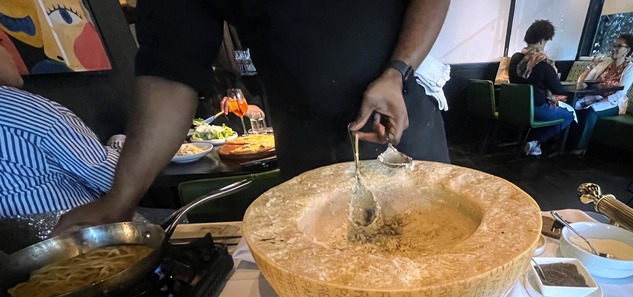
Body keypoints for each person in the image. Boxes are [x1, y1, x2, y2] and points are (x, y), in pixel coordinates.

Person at [55, 0, 451, 233]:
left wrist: (397, 70)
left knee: (427, 246)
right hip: (299, 133)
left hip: (397, 111)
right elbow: (170, 73)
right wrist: (121, 200)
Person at [0, 44, 118, 217]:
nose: (12, 55)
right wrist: (119, 146)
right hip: (70, 234)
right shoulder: (23, 108)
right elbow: (108, 176)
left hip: (11, 241)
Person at [566, 33, 633, 154]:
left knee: (591, 110)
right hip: (595, 96)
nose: (614, 48)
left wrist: (600, 100)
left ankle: (580, 147)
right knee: (573, 106)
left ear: (627, 50)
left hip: (614, 102)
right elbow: (582, 83)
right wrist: (590, 68)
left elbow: (621, 92)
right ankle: (564, 143)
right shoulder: (605, 63)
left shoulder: (630, 67)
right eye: (614, 45)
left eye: (619, 46)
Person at [511, 20, 574, 156]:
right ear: (541, 41)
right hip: (536, 109)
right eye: (546, 41)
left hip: (514, 108)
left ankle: (533, 144)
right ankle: (536, 142)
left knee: (554, 110)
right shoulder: (543, 64)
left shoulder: (515, 59)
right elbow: (558, 90)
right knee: (569, 115)